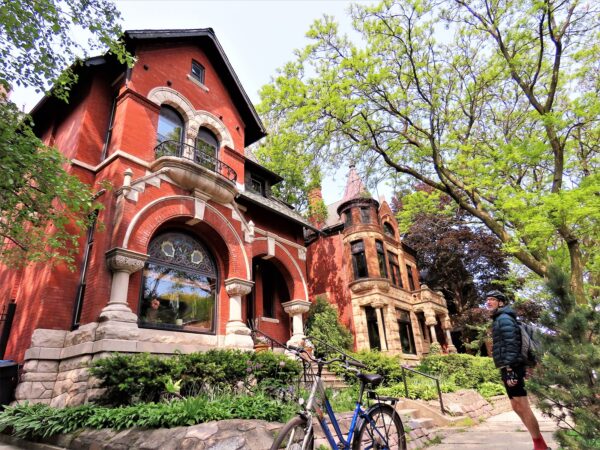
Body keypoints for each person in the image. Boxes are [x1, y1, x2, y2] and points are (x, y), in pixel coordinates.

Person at [486, 290, 550, 450]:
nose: (489, 302)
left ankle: (540, 446)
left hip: (513, 367)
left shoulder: (504, 319)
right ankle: (540, 444)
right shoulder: (499, 319)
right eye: (488, 300)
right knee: (516, 406)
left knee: (522, 405)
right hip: (507, 367)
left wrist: (510, 369)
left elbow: (512, 344)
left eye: (492, 299)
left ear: (501, 303)